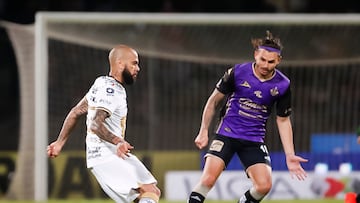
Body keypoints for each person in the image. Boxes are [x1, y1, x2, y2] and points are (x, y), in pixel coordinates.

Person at [187, 31, 308, 203]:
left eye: (271, 61)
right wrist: (203, 131)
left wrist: (290, 154)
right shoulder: (237, 72)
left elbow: (282, 119)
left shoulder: (283, 85)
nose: (266, 65)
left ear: (278, 61)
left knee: (264, 186)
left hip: (253, 139)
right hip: (226, 134)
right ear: (256, 55)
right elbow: (213, 101)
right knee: (207, 180)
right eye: (262, 60)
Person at [47, 44, 161, 203]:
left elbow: (76, 112)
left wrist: (59, 142)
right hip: (106, 155)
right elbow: (95, 124)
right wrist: (118, 140)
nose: (138, 68)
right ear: (120, 63)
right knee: (148, 190)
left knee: (148, 192)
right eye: (134, 63)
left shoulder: (101, 83)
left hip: (109, 154)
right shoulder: (111, 90)